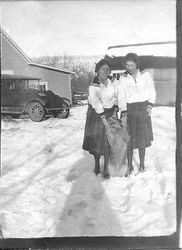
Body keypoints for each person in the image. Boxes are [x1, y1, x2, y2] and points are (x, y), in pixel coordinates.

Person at [117, 53, 156, 174]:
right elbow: (121, 96)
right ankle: (129, 166)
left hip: (143, 108)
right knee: (129, 139)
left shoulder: (145, 74)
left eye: (132, 65)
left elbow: (151, 90)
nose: (129, 68)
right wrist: (123, 112)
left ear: (137, 64)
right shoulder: (123, 77)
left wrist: (150, 105)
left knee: (142, 139)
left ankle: (142, 164)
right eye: (127, 65)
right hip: (129, 109)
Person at [82, 59, 118, 179]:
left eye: (108, 69)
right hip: (97, 115)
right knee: (97, 142)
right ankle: (97, 164)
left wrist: (115, 110)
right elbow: (95, 102)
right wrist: (103, 119)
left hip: (111, 112)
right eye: (103, 69)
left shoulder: (113, 81)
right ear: (98, 70)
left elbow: (118, 95)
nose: (105, 71)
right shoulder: (94, 84)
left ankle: (106, 167)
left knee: (108, 142)